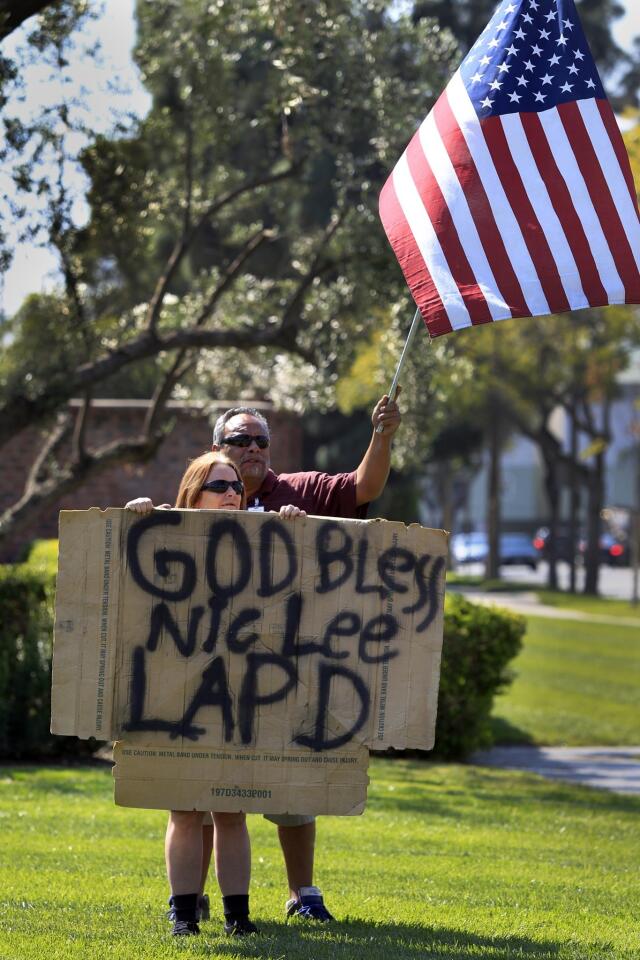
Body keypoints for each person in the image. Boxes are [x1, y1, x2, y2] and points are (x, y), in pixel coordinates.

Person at [209, 391, 402, 923]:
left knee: (291, 785)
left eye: (261, 441)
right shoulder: (198, 499)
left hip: (283, 671)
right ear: (217, 448)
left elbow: (365, 486)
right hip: (212, 673)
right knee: (202, 785)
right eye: (240, 439)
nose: (252, 448)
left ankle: (302, 894)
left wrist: (381, 436)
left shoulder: (298, 492)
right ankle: (195, 897)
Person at [125, 451, 305, 938]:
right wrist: (135, 514)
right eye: (218, 485)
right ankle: (183, 916)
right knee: (184, 808)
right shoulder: (167, 529)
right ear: (193, 493)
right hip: (176, 692)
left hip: (240, 694)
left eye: (235, 487)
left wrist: (292, 522)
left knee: (231, 807)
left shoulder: (263, 532)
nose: (232, 492)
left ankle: (237, 918)